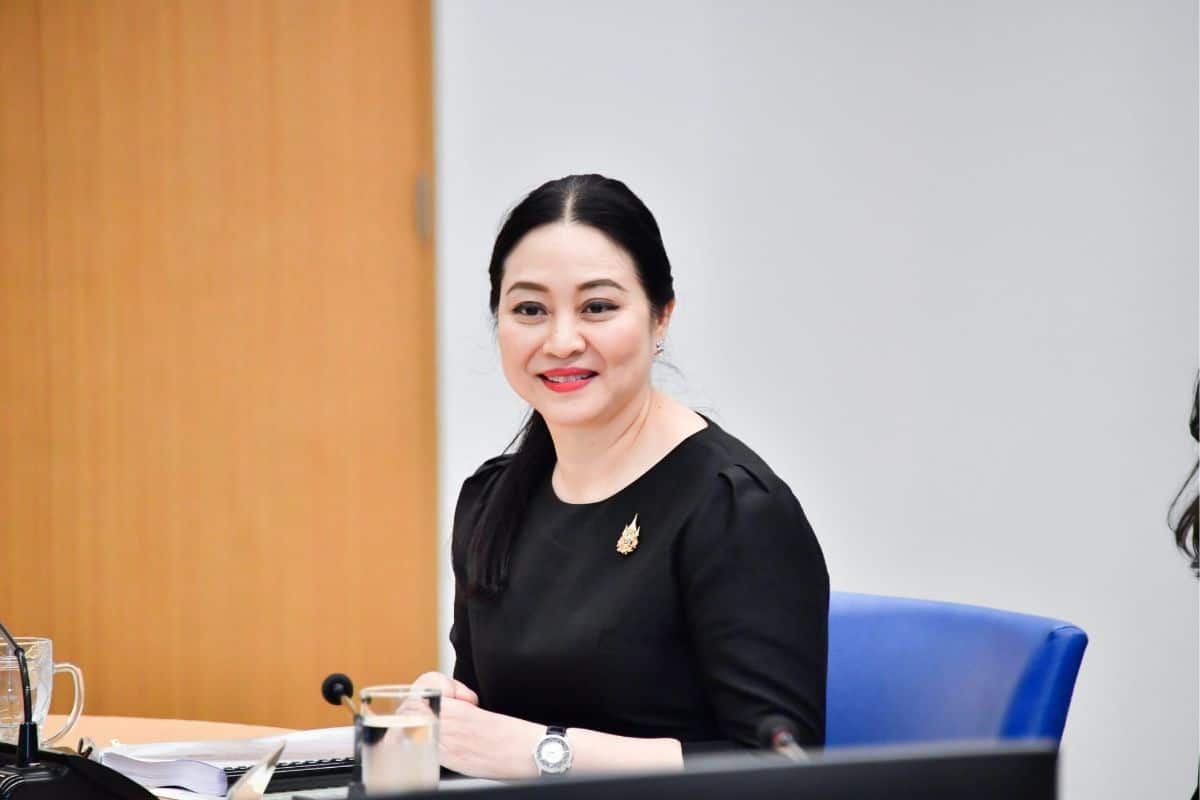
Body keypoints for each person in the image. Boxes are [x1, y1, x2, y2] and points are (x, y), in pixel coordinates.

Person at [413, 174, 828, 780]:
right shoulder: (492, 498)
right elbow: (493, 730)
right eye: (529, 309)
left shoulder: (735, 509)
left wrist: (545, 752)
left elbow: (781, 769)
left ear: (661, 318)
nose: (560, 340)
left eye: (598, 307)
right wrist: (450, 720)